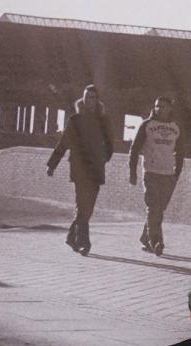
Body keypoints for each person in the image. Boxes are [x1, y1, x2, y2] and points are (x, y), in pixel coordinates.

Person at [47, 84, 113, 255]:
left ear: (97, 101)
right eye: (87, 97)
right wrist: (52, 164)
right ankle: (84, 242)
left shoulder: (103, 121)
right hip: (79, 169)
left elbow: (110, 145)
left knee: (88, 208)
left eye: (93, 97)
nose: (90, 100)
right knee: (82, 206)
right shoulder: (75, 120)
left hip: (96, 170)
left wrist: (103, 158)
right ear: (82, 99)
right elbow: (64, 143)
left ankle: (71, 237)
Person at [129, 96, 184, 256]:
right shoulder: (147, 125)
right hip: (151, 172)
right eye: (157, 106)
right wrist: (132, 172)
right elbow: (134, 149)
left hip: (168, 174)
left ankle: (145, 239)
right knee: (154, 209)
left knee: (160, 209)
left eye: (163, 106)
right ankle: (157, 242)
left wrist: (177, 173)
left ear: (170, 109)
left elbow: (180, 152)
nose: (159, 109)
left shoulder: (176, 127)